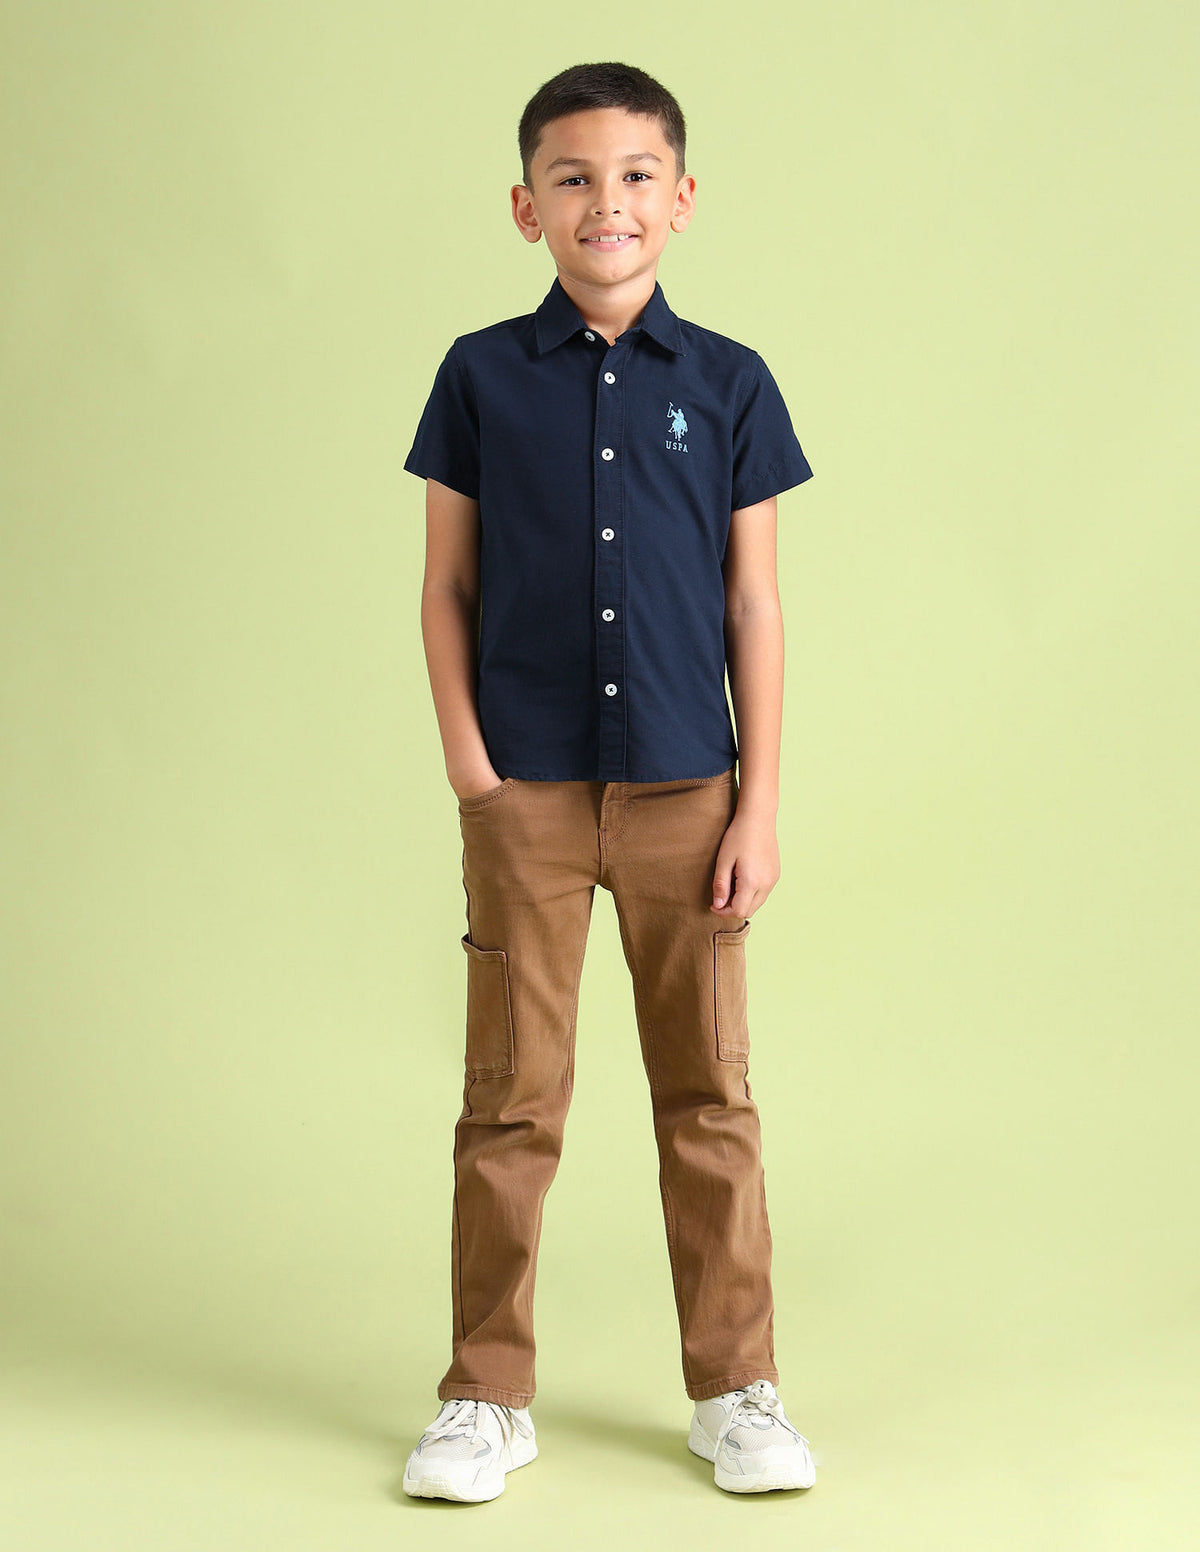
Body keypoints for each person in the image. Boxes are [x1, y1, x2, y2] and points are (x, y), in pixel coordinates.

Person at [400, 61, 818, 1502]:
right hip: (522, 789)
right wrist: (473, 769)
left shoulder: (732, 383)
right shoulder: (478, 376)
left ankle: (737, 1387)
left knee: (710, 1094)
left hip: (688, 794)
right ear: (527, 208)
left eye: (637, 175)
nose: (607, 203)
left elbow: (755, 602)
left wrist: (759, 800)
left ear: (682, 200)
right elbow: (445, 586)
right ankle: (485, 1395)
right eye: (572, 178)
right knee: (510, 1100)